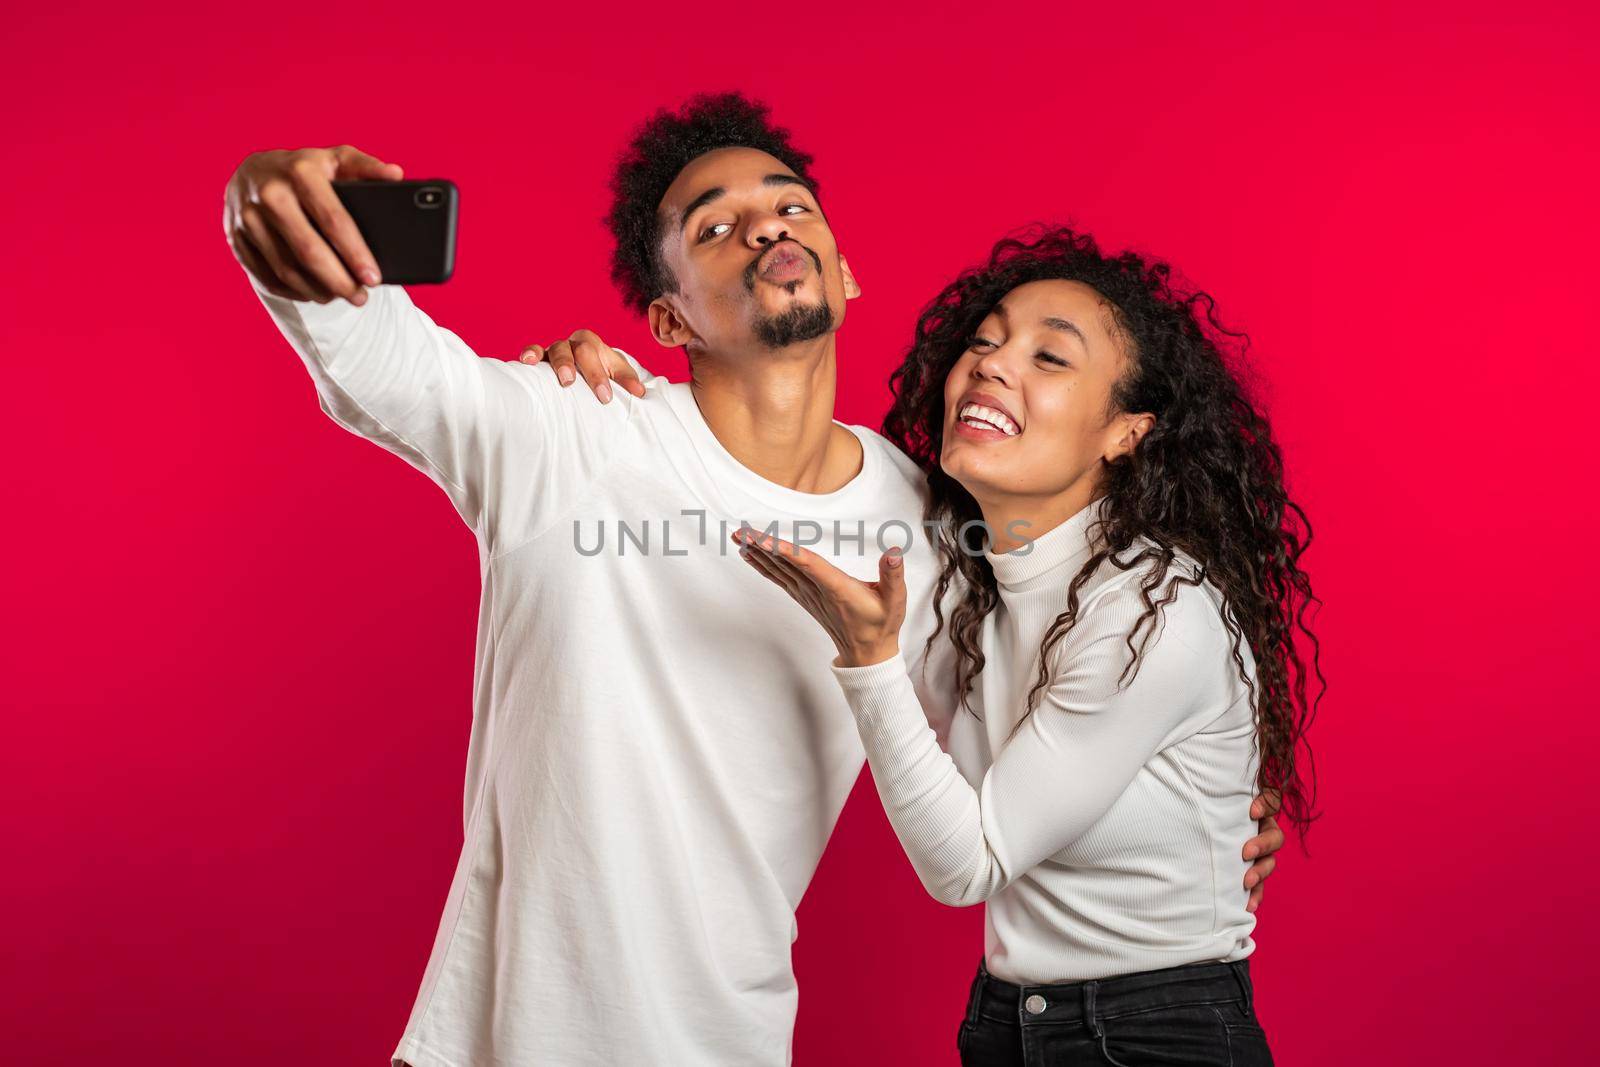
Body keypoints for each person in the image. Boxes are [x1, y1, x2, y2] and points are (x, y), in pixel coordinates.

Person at [221, 94, 1285, 1065]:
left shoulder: (925, 519)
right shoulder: (562, 432)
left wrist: (1215, 807)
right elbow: (380, 362)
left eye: (790, 207)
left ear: (842, 266)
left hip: (732, 1041)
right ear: (669, 320)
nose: (766, 227)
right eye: (714, 226)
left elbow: (1037, 724)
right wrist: (263, 203)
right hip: (497, 1042)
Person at [733, 227, 1320, 1065]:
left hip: (1156, 1034)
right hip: (1008, 1023)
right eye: (986, 340)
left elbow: (968, 865)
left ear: (1125, 432)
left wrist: (869, 658)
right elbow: (761, 460)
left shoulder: (1157, 610)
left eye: (1051, 358)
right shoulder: (962, 572)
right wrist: (599, 386)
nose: (994, 364)